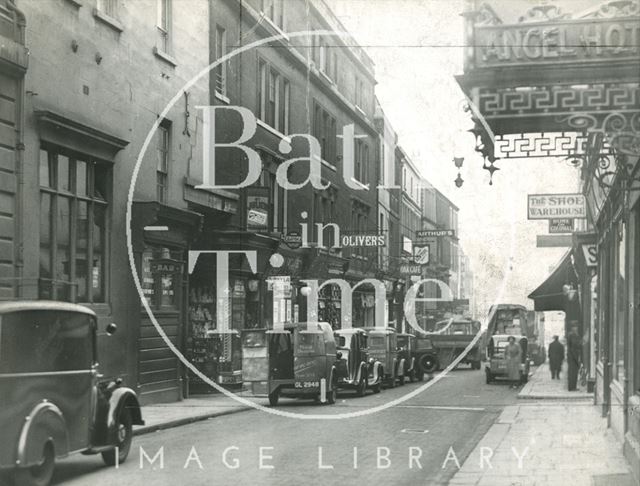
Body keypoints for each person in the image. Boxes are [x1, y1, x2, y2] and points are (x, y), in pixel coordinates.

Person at [567, 324, 582, 391]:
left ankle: (572, 387)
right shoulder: (573, 336)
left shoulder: (572, 335)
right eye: (575, 327)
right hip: (573, 358)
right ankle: (572, 387)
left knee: (573, 373)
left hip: (572, 357)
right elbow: (575, 346)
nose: (576, 329)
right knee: (573, 373)